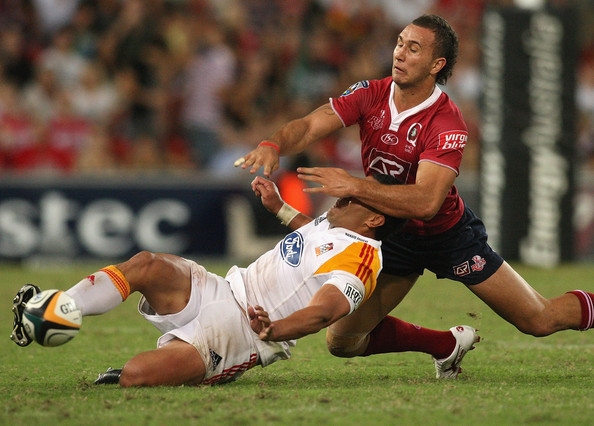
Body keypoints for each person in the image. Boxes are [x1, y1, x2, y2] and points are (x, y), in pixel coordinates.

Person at [235, 14, 593, 363]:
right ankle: (446, 344)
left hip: (446, 234)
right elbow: (310, 126)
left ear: (437, 64)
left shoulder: (446, 122)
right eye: (399, 43)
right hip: (390, 233)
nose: (400, 54)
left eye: (414, 48)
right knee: (342, 342)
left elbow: (426, 202)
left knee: (538, 320)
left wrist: (353, 185)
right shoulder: (370, 93)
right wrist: (273, 144)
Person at [10, 174, 476, 386]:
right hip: (225, 287)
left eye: (355, 196)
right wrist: (278, 207)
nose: (342, 195)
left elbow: (325, 312)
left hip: (244, 332)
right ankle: (58, 308)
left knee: (134, 376)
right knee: (148, 263)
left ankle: (203, 370)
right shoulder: (337, 224)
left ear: (374, 220)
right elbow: (313, 237)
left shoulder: (362, 262)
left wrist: (275, 330)